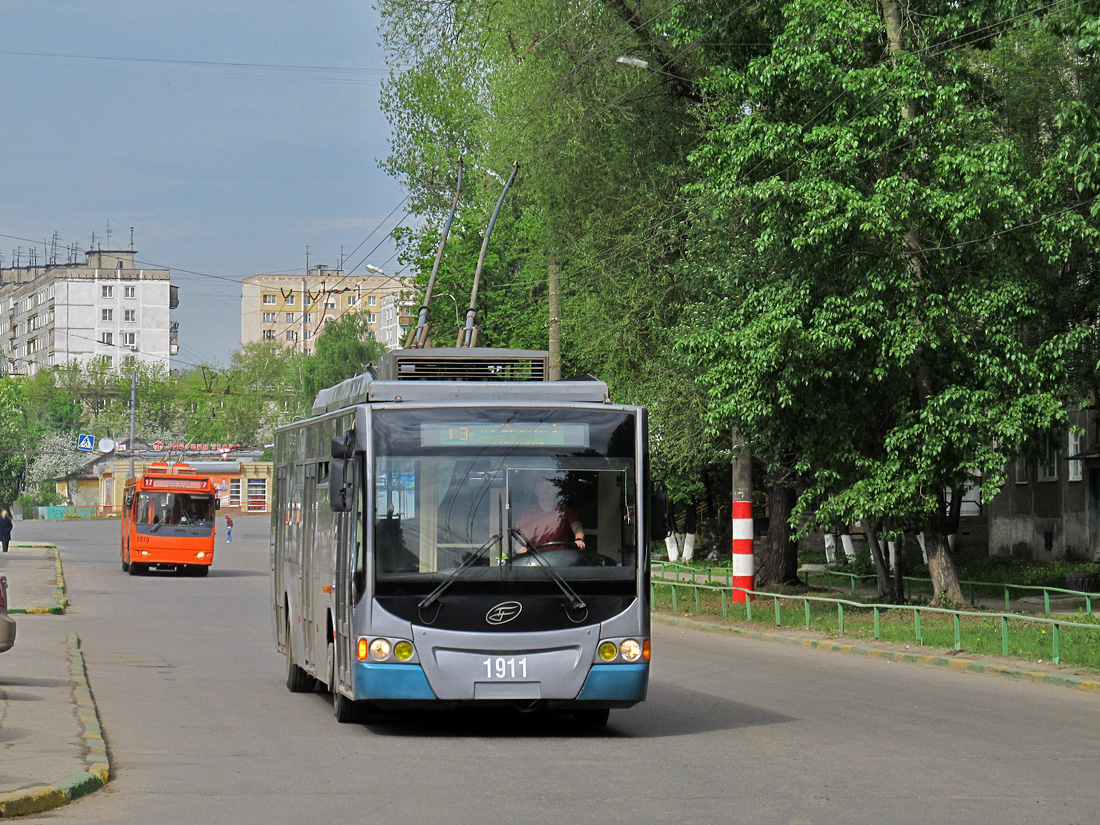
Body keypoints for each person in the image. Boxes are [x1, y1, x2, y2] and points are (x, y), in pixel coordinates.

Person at [515, 477, 584, 552]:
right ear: (536, 491)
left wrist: (579, 539)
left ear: (555, 491)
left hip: (562, 559)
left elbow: (577, 527)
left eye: (550, 488)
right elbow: (520, 540)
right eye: (543, 488)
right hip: (536, 559)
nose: (547, 491)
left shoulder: (564, 510)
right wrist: (521, 550)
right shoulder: (528, 513)